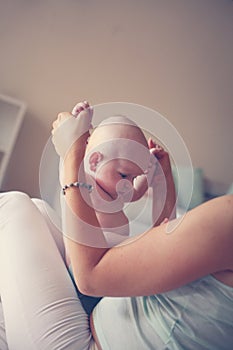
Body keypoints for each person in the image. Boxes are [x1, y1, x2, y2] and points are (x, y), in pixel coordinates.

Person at [0, 102, 232, 349]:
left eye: (132, 177)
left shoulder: (224, 221)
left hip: (89, 316)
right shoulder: (89, 183)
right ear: (95, 161)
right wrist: (78, 136)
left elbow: (90, 277)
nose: (128, 185)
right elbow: (165, 236)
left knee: (12, 203)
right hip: (90, 289)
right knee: (38, 208)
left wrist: (73, 150)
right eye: (124, 175)